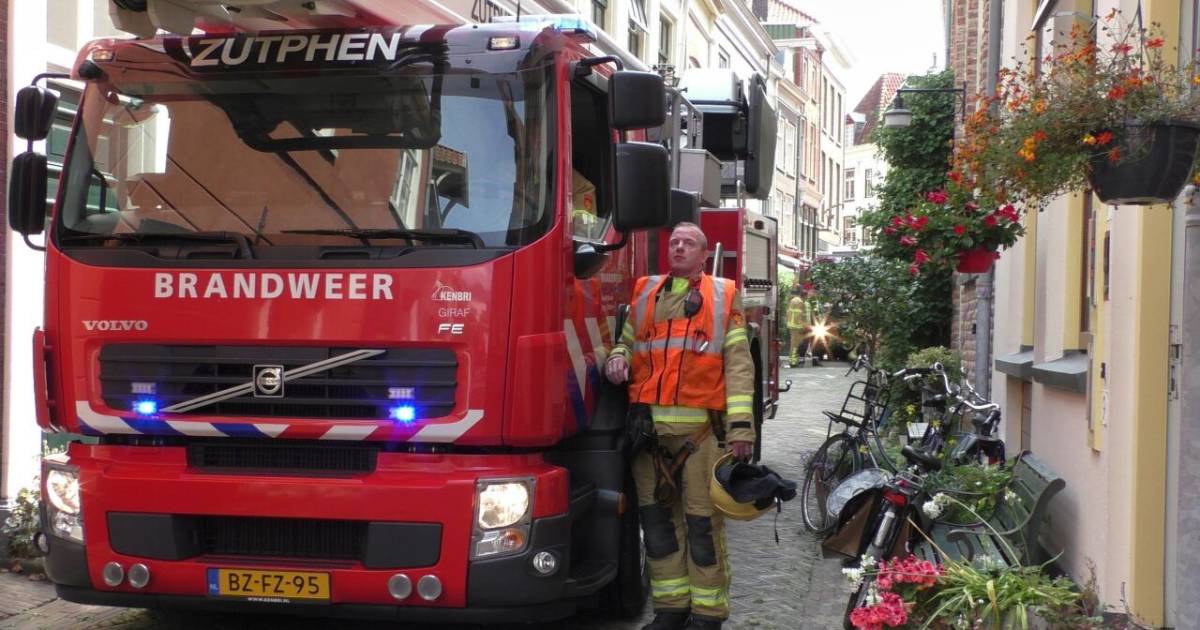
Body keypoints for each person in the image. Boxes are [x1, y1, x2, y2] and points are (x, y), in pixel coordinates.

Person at [604, 222, 755, 630]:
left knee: (702, 524)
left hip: (700, 435)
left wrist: (741, 428)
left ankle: (708, 615)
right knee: (656, 524)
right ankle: (671, 610)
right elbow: (628, 340)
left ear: (703, 255)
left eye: (688, 243)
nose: (678, 248)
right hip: (649, 434)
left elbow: (739, 365)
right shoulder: (645, 292)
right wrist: (618, 356)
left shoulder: (723, 295)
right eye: (673, 243)